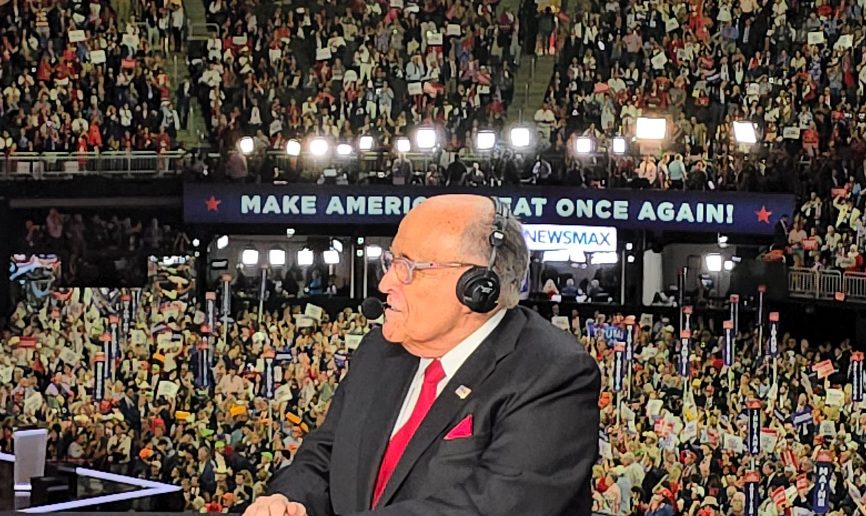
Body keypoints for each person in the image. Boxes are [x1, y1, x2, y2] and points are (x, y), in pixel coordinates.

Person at [245, 195, 601, 516]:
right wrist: (289, 501)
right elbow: (323, 456)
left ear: (477, 288)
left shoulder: (552, 372)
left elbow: (494, 505)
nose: (386, 284)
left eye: (409, 267)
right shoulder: (378, 352)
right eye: (391, 261)